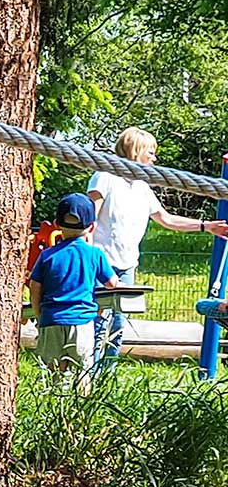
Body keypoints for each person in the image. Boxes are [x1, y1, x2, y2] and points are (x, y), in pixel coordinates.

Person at [87, 128, 228, 369]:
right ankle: (86, 375)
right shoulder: (105, 177)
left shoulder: (141, 187)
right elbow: (89, 221)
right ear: (136, 151)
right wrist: (89, 259)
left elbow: (167, 219)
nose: (154, 158)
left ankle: (104, 378)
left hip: (127, 265)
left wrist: (206, 227)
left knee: (119, 325)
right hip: (102, 263)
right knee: (98, 323)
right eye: (150, 152)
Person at [29, 193, 116, 392]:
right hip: (82, 323)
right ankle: (80, 410)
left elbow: (35, 287)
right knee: (83, 372)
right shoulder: (95, 254)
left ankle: (54, 405)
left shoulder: (47, 256)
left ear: (56, 224)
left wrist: (39, 314)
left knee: (52, 372)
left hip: (51, 321)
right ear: (92, 227)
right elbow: (112, 283)